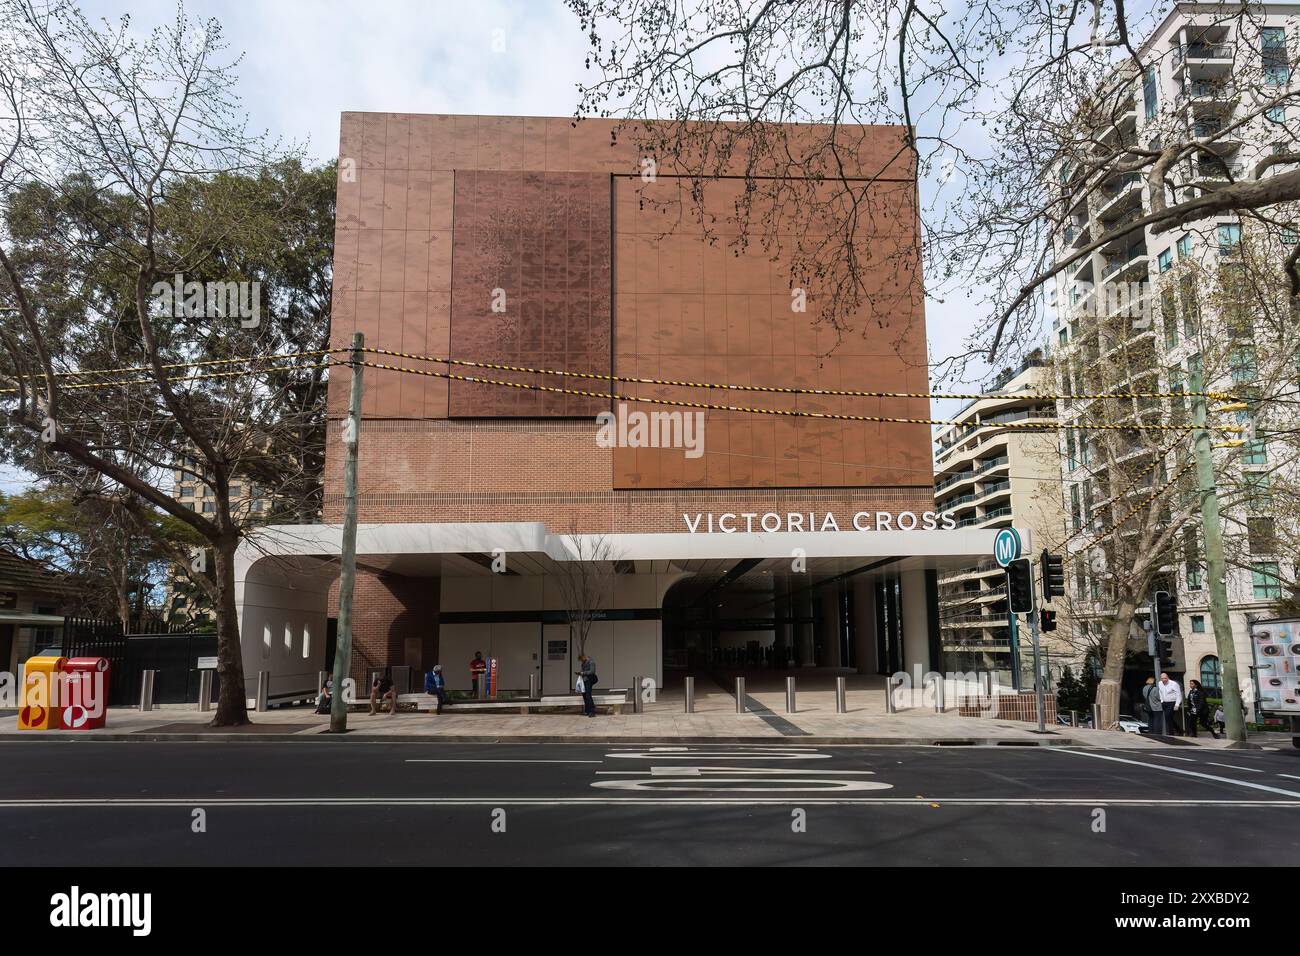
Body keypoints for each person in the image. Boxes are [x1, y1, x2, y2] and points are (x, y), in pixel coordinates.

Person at [1158, 671, 1183, 736]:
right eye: (1162, 678)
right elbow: (1160, 692)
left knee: (1168, 716)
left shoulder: (1174, 684)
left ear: (1168, 678)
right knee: (1169, 718)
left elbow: (1178, 694)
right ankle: (1179, 730)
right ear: (1161, 679)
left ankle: (1171, 732)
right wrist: (1161, 700)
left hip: (1172, 702)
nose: (1164, 680)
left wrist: (1177, 704)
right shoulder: (1160, 683)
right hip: (1164, 703)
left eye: (1165, 678)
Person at [576, 653, 597, 717]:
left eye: (581, 659)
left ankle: (592, 711)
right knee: (584, 695)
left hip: (589, 680)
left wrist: (583, 673)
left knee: (588, 695)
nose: (581, 661)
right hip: (584, 680)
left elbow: (592, 671)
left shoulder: (591, 662)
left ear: (584, 657)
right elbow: (582, 670)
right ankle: (587, 711)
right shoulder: (583, 663)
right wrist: (579, 673)